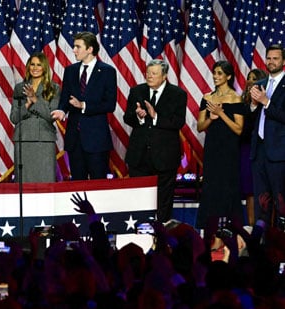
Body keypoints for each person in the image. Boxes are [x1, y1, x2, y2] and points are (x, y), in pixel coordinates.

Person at [123, 59, 187, 223]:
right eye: (148, 72)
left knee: (164, 199)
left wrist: (155, 116)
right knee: (138, 196)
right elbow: (127, 118)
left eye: (154, 73)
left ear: (164, 76)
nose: (149, 76)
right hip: (139, 155)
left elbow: (178, 122)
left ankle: (162, 233)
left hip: (165, 156)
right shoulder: (137, 91)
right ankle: (139, 232)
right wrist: (139, 117)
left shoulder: (177, 94)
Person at [51, 31, 117, 180]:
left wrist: (84, 105)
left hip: (96, 140)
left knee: (97, 184)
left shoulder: (107, 71)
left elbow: (110, 104)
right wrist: (62, 110)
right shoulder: (70, 71)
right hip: (75, 139)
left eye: (78, 47)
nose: (74, 50)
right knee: (77, 184)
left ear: (90, 49)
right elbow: (65, 98)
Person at [195, 61, 244, 228]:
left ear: (228, 77)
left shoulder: (236, 98)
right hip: (212, 148)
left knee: (227, 186)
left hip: (229, 149)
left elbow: (238, 129)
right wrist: (211, 118)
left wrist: (221, 114)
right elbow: (200, 127)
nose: (215, 76)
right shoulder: (207, 97)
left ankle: (229, 228)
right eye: (214, 73)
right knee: (211, 186)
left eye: (220, 73)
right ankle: (211, 228)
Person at [10, 52, 60, 183]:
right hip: (23, 140)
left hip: (44, 141)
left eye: (39, 65)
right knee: (24, 183)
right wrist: (27, 103)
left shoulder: (54, 88)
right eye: (32, 64)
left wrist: (35, 99)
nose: (35, 68)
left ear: (44, 67)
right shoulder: (20, 88)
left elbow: (51, 116)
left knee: (45, 182)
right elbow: (14, 117)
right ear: (28, 67)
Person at [249, 43, 285, 226]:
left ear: (283, 61)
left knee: (281, 203)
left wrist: (266, 102)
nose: (271, 62)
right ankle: (261, 245)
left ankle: (280, 245)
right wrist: (254, 105)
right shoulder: (260, 84)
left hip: (279, 154)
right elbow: (252, 119)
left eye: (275, 58)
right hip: (259, 151)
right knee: (261, 202)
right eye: (268, 58)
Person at [241, 68, 268, 225]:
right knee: (250, 191)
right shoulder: (242, 104)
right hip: (246, 151)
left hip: (264, 150)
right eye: (249, 78)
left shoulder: (268, 102)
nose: (250, 81)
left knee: (264, 192)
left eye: (254, 79)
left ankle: (267, 228)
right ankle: (252, 227)